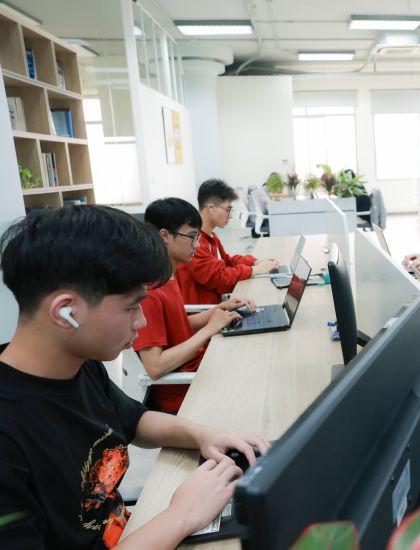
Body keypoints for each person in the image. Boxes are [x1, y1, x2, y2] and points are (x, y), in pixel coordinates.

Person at [0, 205, 270, 548]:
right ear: (65, 312)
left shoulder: (77, 363)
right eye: (131, 306)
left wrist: (205, 435)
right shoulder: (8, 438)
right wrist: (181, 515)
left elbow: (135, 421)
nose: (141, 322)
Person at [134, 198, 255, 414]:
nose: (197, 245)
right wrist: (209, 329)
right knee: (253, 381)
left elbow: (176, 326)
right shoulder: (150, 291)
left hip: (197, 369)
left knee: (252, 353)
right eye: (191, 237)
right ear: (164, 236)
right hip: (184, 392)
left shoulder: (167, 276)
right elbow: (155, 367)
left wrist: (219, 310)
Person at [175, 179, 278, 304]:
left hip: (217, 305)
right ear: (211, 208)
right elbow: (221, 279)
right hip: (206, 314)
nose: (230, 215)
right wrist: (254, 270)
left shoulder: (210, 236)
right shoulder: (195, 243)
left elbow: (227, 261)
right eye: (228, 209)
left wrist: (255, 262)